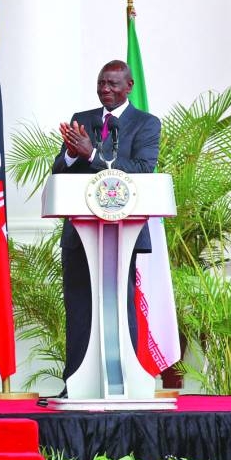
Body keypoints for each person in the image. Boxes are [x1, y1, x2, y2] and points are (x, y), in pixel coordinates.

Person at [51, 59, 161, 391]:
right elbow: (60, 169)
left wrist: (91, 154)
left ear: (129, 86)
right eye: (101, 83)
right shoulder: (81, 121)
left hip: (122, 234)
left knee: (119, 303)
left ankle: (123, 383)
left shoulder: (146, 123)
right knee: (79, 306)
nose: (105, 89)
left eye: (113, 84)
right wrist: (71, 154)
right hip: (80, 235)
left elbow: (142, 169)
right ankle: (75, 384)